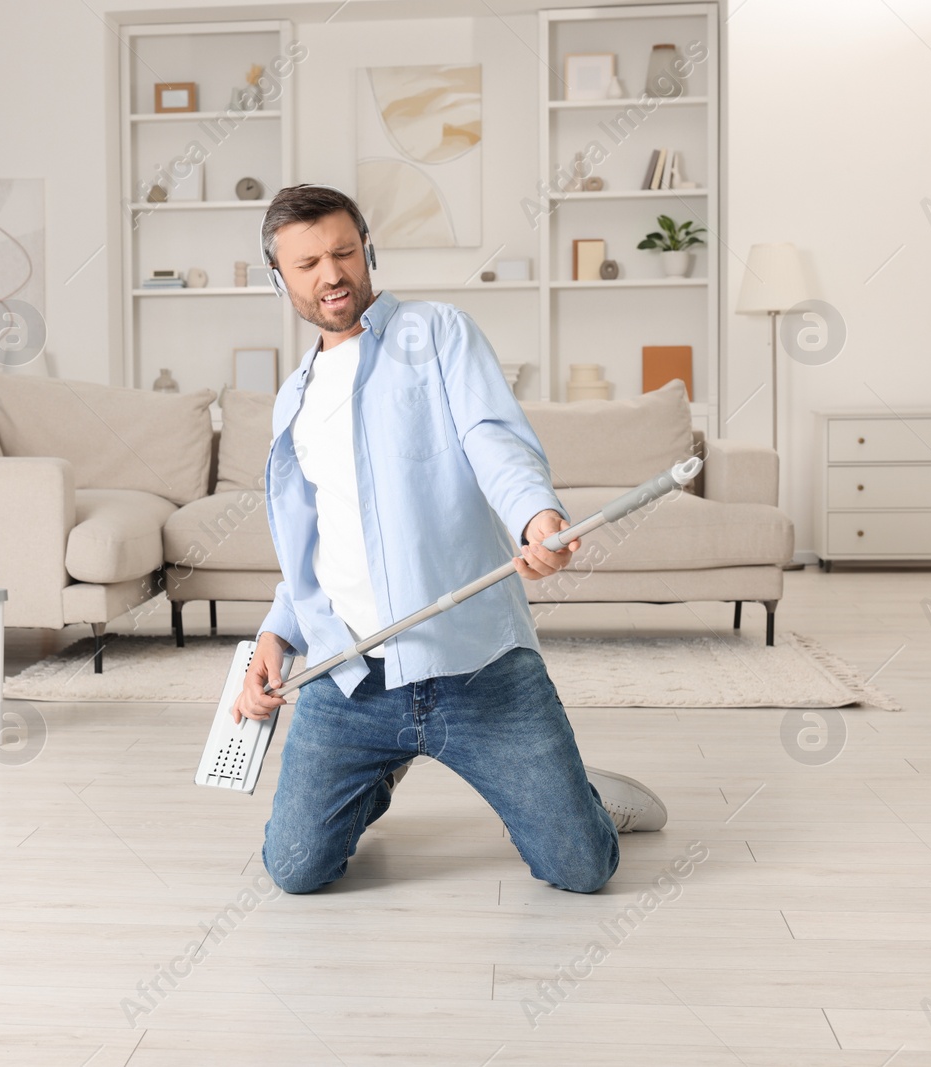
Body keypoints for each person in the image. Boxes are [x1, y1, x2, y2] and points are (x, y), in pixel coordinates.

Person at [234, 184, 666, 896]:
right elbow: (315, 544)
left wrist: (537, 519)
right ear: (280, 281)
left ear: (367, 250)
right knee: (296, 869)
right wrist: (275, 637)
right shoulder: (295, 400)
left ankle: (581, 793)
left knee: (582, 868)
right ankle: (380, 763)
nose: (332, 274)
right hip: (353, 676)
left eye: (343, 252)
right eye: (308, 263)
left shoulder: (437, 333)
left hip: (478, 667)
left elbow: (493, 439)